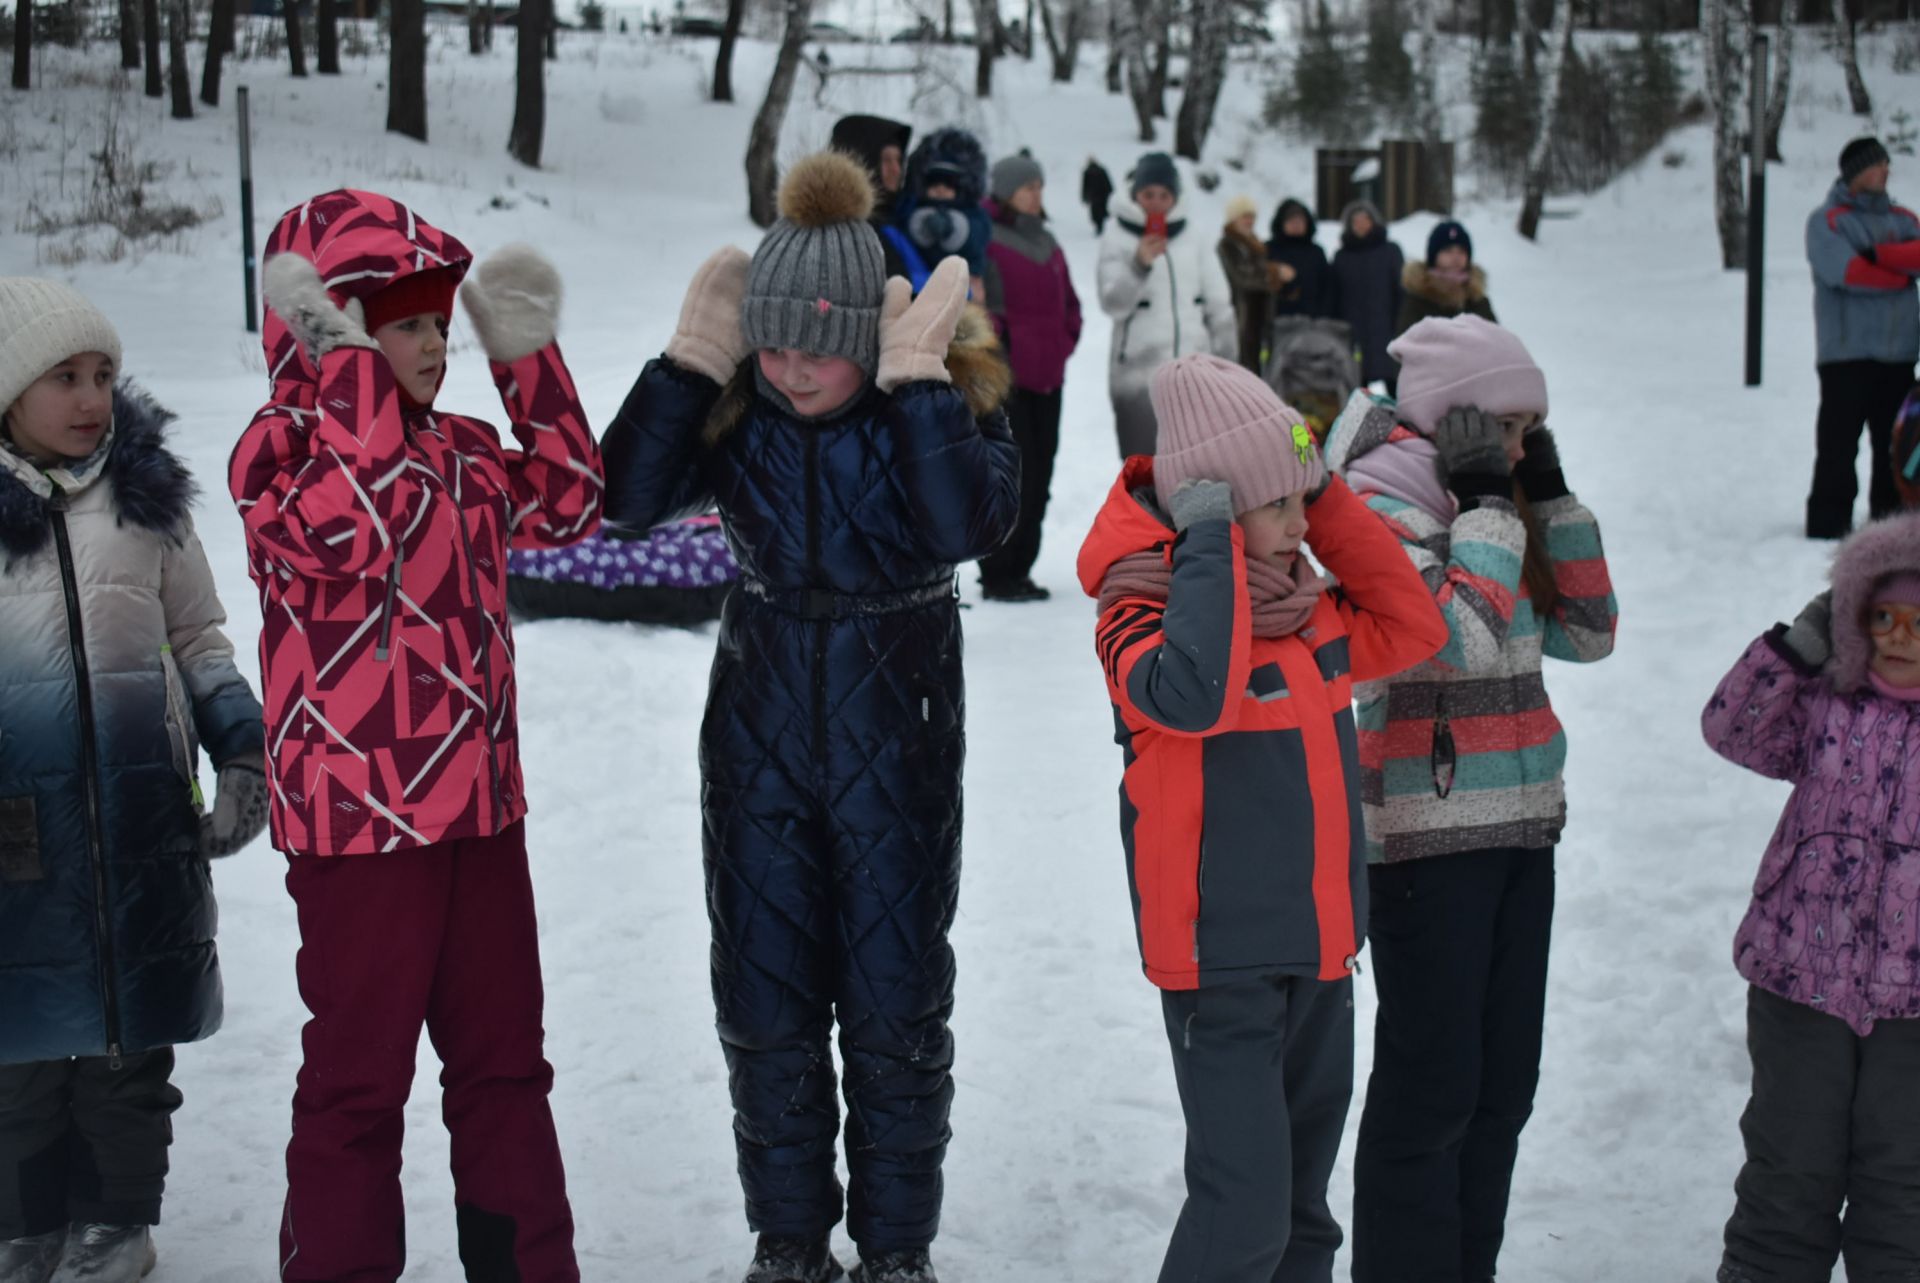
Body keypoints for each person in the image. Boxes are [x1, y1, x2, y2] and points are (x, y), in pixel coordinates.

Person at [599, 152, 1019, 1283]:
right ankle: (788, 1236)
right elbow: (626, 497)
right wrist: (691, 364)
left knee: (894, 999)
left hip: (901, 726)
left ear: (874, 338)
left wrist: (923, 385)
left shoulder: (948, 403)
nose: (789, 370)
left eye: (815, 345)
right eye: (769, 343)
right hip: (760, 730)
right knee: (765, 990)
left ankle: (895, 1245)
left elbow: (966, 526)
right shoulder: (744, 416)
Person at [232, 189, 603, 1281]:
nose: (436, 343)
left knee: (503, 1070)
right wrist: (347, 373)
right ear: (328, 328)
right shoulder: (281, 455)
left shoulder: (462, 450)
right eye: (405, 322)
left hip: (479, 814)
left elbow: (573, 501)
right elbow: (355, 523)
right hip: (357, 837)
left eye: (442, 321)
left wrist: (525, 358)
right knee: (358, 1085)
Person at [1077, 353, 1445, 1283]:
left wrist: (1316, 490)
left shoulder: (1310, 613)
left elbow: (1414, 625)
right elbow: (1194, 694)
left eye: (1301, 503)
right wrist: (1207, 548)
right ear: (1210, 512)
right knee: (1242, 1221)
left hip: (1322, 956)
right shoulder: (1137, 610)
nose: (1301, 526)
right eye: (1278, 507)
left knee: (1301, 1221)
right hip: (1221, 967)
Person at [1326, 315, 1618, 1283]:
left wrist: (1549, 494)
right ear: (1457, 422)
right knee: (1432, 1091)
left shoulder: (1497, 496)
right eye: (1511, 425)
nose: (1522, 444)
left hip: (1522, 825)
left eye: (1537, 427)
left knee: (1502, 1091)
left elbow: (1589, 628)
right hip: (1425, 834)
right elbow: (1454, 639)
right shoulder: (1373, 502)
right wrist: (1490, 507)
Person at [0, 281, 265, 1283]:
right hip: (14, 825)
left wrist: (239, 744)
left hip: (139, 815)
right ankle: (25, 1223)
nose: (89, 396)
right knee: (20, 1047)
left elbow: (198, 634)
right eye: (63, 376)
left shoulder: (146, 500)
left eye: (103, 375)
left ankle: (116, 1220)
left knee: (125, 1043)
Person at [1704, 511, 1920, 1283]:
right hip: (1801, 988)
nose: (1899, 637)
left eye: (1919, 622)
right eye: (1881, 617)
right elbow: (1732, 730)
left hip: (1914, 1017)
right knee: (1785, 1183)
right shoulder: (1830, 705)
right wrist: (1796, 648)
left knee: (1903, 1203)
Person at [1804, 136, 1920, 538]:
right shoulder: (1827, 220)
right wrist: (1899, 269)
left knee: (1894, 450)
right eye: (1879, 164)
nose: (1886, 170)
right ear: (1856, 173)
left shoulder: (1905, 219)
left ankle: (1889, 527)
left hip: (1900, 355)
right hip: (1846, 356)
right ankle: (1827, 522)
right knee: (1838, 445)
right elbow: (1849, 273)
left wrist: (1878, 255)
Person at [980, 152, 1082, 603]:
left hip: (1049, 381)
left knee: (1041, 475)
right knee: (1011, 477)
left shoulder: (1049, 243)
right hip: (1010, 383)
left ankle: (1022, 568)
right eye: (1028, 187)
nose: (1037, 194)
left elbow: (1071, 305)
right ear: (1005, 192)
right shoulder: (987, 241)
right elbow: (986, 311)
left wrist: (1063, 340)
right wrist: (1008, 352)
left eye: (1040, 186)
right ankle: (999, 571)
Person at [1096, 152, 1237, 458]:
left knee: (1196, 468)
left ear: (1175, 198)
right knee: (1143, 470)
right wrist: (1138, 264)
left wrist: (1228, 367)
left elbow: (1219, 306)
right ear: (1135, 195)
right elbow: (1111, 302)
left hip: (1195, 376)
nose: (1156, 203)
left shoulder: (1195, 236)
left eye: (1164, 195)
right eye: (1148, 195)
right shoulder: (1117, 236)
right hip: (1137, 376)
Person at [895, 127, 994, 300]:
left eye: (948, 185)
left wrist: (952, 227)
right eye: (934, 184)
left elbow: (978, 235)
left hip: (962, 281)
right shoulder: (911, 207)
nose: (940, 190)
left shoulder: (972, 214)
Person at [1328, 200, 1404, 395]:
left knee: (1399, 392)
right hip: (1355, 335)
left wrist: (1401, 324)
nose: (1361, 224)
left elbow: (1401, 291)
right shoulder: (1341, 257)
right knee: (1356, 396)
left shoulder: (1390, 251)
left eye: (1365, 219)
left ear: (1374, 222)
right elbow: (1334, 297)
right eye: (1356, 221)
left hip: (1387, 331)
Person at [830, 114, 914, 280]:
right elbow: (898, 285)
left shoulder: (898, 217)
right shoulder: (852, 228)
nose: (896, 169)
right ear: (862, 160)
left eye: (899, 160)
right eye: (886, 160)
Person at [1395, 220, 1495, 338]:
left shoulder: (1477, 299)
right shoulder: (1418, 299)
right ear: (1434, 255)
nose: (1455, 257)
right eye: (1448, 250)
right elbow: (1404, 346)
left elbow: (1496, 342)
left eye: (1461, 251)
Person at [1218, 194, 1283, 374]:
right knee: (1243, 364)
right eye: (1245, 217)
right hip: (1241, 312)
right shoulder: (1227, 244)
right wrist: (1273, 274)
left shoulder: (1254, 244)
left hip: (1258, 313)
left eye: (1252, 217)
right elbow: (1243, 278)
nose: (1249, 221)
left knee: (1256, 361)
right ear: (1234, 219)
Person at [1266, 196, 1331, 321]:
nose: (1296, 225)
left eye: (1300, 221)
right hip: (1278, 322)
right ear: (1282, 223)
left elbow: (1327, 288)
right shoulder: (1269, 249)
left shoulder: (1317, 252)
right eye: (1291, 221)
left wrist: (1323, 315)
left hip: (1312, 322)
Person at [1082, 157, 1115, 235]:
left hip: (1094, 197)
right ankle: (1101, 227)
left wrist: (1084, 196)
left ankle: (1099, 228)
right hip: (1103, 195)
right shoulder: (1101, 170)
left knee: (1096, 214)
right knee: (1103, 213)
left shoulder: (1087, 172)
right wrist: (1110, 192)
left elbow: (1084, 186)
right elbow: (1108, 183)